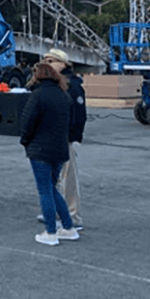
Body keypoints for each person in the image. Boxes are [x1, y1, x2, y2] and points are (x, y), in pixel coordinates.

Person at [19, 61, 79, 246]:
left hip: (40, 149)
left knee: (45, 190)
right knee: (52, 188)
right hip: (59, 149)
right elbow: (72, 122)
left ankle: (51, 231)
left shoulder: (37, 96)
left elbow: (27, 122)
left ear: (38, 76)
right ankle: (68, 227)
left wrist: (25, 141)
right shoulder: (64, 95)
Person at [41, 48, 86, 231]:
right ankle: (57, 210)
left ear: (63, 64)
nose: (47, 64)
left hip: (64, 138)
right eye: (46, 60)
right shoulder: (52, 85)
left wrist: (72, 136)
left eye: (51, 61)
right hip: (51, 138)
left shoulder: (73, 86)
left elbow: (79, 115)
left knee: (68, 179)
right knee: (53, 178)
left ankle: (73, 217)